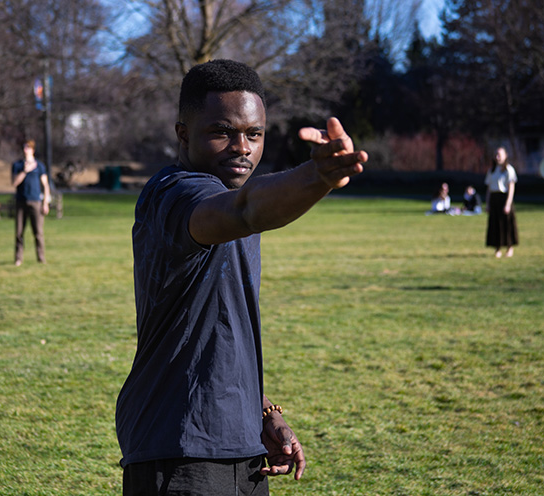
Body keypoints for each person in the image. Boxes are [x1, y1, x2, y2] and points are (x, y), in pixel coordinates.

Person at [115, 59, 367, 495]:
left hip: (243, 449)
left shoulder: (237, 204)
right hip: (178, 453)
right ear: (183, 134)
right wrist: (319, 175)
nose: (243, 148)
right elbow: (245, 209)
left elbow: (222, 329)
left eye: (254, 134)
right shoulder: (177, 196)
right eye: (222, 132)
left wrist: (264, 411)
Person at [11, 139, 50, 265]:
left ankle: (41, 258)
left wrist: (45, 203)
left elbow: (45, 185)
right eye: (24, 147)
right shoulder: (17, 165)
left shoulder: (40, 166)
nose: (25, 150)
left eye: (27, 147)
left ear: (32, 150)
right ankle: (18, 258)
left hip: (35, 202)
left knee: (38, 232)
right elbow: (14, 183)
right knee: (19, 232)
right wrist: (25, 171)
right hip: (21, 201)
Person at [484, 147, 518, 257]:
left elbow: (511, 188)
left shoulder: (509, 170)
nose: (497, 157)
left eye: (499, 154)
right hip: (494, 199)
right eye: (496, 154)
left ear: (505, 155)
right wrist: (488, 203)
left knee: (507, 224)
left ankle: (509, 248)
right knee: (495, 225)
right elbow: (489, 189)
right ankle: (497, 249)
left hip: (504, 198)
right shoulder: (492, 170)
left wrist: (508, 204)